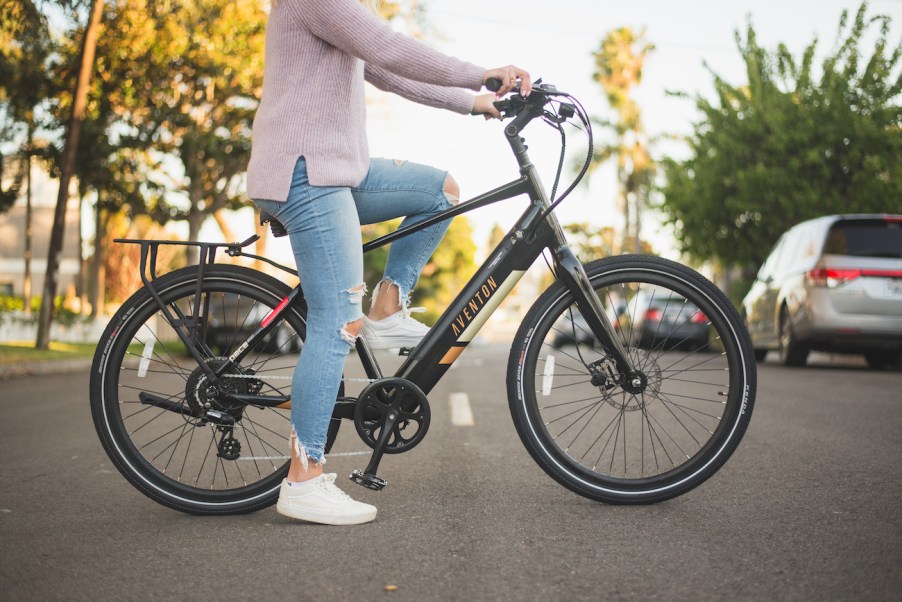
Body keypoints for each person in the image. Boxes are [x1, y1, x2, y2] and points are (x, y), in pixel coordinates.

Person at [247, 0, 531, 525]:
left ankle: (387, 309)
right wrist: (484, 74)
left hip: (339, 168)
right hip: (305, 173)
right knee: (335, 321)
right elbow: (390, 47)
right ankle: (303, 478)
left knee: (440, 192)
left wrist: (474, 102)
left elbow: (387, 70)